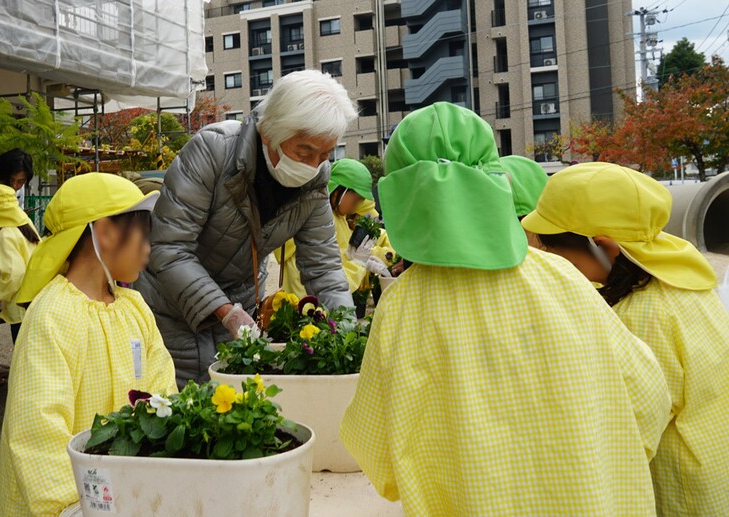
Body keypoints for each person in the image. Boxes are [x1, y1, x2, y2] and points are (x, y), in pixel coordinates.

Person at [340, 103, 671, 516]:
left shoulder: (402, 308)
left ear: (404, 199)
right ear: (497, 181)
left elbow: (377, 457)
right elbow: (648, 401)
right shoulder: (564, 278)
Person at [521, 162, 729, 516]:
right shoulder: (685, 282)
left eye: (553, 250)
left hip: (679, 491)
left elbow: (627, 427)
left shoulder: (640, 317)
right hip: (715, 470)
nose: (548, 259)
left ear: (604, 246)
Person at [136, 70, 357, 385]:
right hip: (170, 306)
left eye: (324, 155)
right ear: (269, 131)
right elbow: (168, 248)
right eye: (304, 152)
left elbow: (325, 270)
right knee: (177, 401)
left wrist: (348, 335)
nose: (313, 166)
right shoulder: (213, 152)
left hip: (239, 310)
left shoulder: (314, 187)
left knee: (234, 404)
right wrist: (224, 310)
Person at [0, 173, 177, 516]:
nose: (147, 248)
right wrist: (75, 507)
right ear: (107, 232)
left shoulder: (134, 307)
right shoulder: (52, 315)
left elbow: (162, 392)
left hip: (127, 497)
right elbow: (37, 431)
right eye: (142, 234)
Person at [278, 158, 393, 298]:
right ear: (341, 191)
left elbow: (340, 257)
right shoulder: (321, 221)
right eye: (356, 199)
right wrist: (358, 264)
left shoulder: (339, 217)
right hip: (309, 302)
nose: (358, 205)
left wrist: (363, 260)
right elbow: (328, 277)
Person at [0, 184, 39, 343]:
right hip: (37, 302)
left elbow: (14, 275)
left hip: (20, 308)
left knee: (23, 359)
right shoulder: (27, 227)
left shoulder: (6, 235)